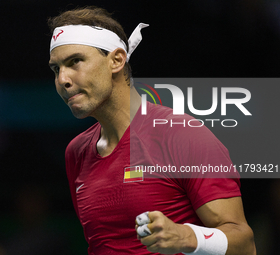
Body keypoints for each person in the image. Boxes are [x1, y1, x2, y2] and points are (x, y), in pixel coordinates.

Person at [47, 6, 256, 255]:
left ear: (116, 60)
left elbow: (245, 245)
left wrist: (188, 237)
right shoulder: (77, 152)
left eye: (75, 62)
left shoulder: (183, 135)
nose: (63, 79)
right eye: (56, 69)